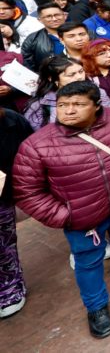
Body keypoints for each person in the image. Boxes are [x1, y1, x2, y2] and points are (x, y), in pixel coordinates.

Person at [13, 81, 110, 338]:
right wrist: (65, 215)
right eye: (63, 105)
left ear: (97, 106)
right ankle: (96, 308)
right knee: (88, 262)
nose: (69, 111)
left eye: (78, 104)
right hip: (83, 221)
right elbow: (27, 192)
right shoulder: (37, 145)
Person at [0, 107, 32, 319]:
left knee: (3, 243)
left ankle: (10, 288)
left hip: (4, 195)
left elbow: (31, 152)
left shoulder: (11, 120)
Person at [25, 56, 110, 131]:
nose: (79, 77)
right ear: (52, 78)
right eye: (71, 75)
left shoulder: (98, 92)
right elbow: (40, 134)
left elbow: (109, 119)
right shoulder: (40, 104)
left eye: (81, 71)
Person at [19, 2, 66, 71]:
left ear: (64, 15)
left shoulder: (80, 32)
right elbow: (28, 64)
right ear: (40, 20)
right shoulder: (33, 39)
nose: (54, 19)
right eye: (48, 16)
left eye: (57, 15)